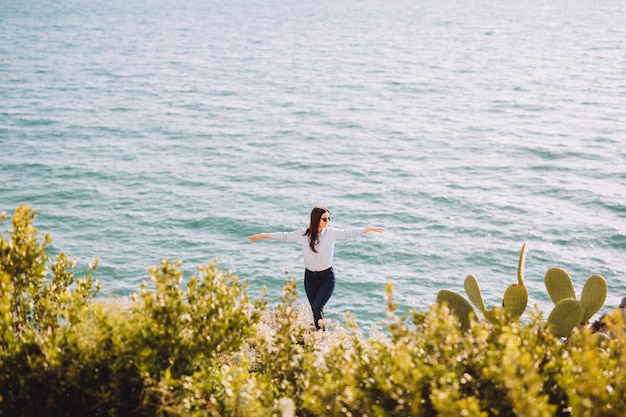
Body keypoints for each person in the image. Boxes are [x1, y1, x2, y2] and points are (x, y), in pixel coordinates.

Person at [247, 206, 384, 330]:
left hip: (327, 278)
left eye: (329, 218)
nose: (328, 221)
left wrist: (369, 229)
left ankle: (322, 338)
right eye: (325, 219)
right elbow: (284, 236)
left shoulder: (331, 233)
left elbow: (349, 233)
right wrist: (263, 235)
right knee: (315, 311)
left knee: (317, 307)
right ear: (316, 219)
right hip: (310, 278)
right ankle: (321, 337)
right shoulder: (304, 234)